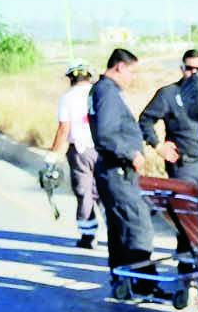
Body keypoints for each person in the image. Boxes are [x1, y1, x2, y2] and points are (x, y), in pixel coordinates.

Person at [89, 48, 156, 281]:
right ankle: (143, 283)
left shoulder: (102, 89)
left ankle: (121, 279)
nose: (133, 78)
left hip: (112, 170)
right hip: (118, 170)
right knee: (138, 225)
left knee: (119, 227)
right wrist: (131, 154)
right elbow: (106, 134)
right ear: (120, 67)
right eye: (132, 72)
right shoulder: (107, 92)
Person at [138, 49, 198, 254]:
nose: (193, 73)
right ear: (182, 68)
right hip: (184, 166)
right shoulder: (169, 94)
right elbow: (145, 120)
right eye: (189, 68)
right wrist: (158, 146)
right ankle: (187, 271)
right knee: (186, 218)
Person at [45, 61, 99, 249]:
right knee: (106, 193)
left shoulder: (67, 98)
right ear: (89, 76)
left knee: (84, 193)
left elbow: (63, 129)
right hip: (103, 150)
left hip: (80, 151)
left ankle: (88, 236)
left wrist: (52, 154)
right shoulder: (100, 92)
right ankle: (119, 236)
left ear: (71, 78)